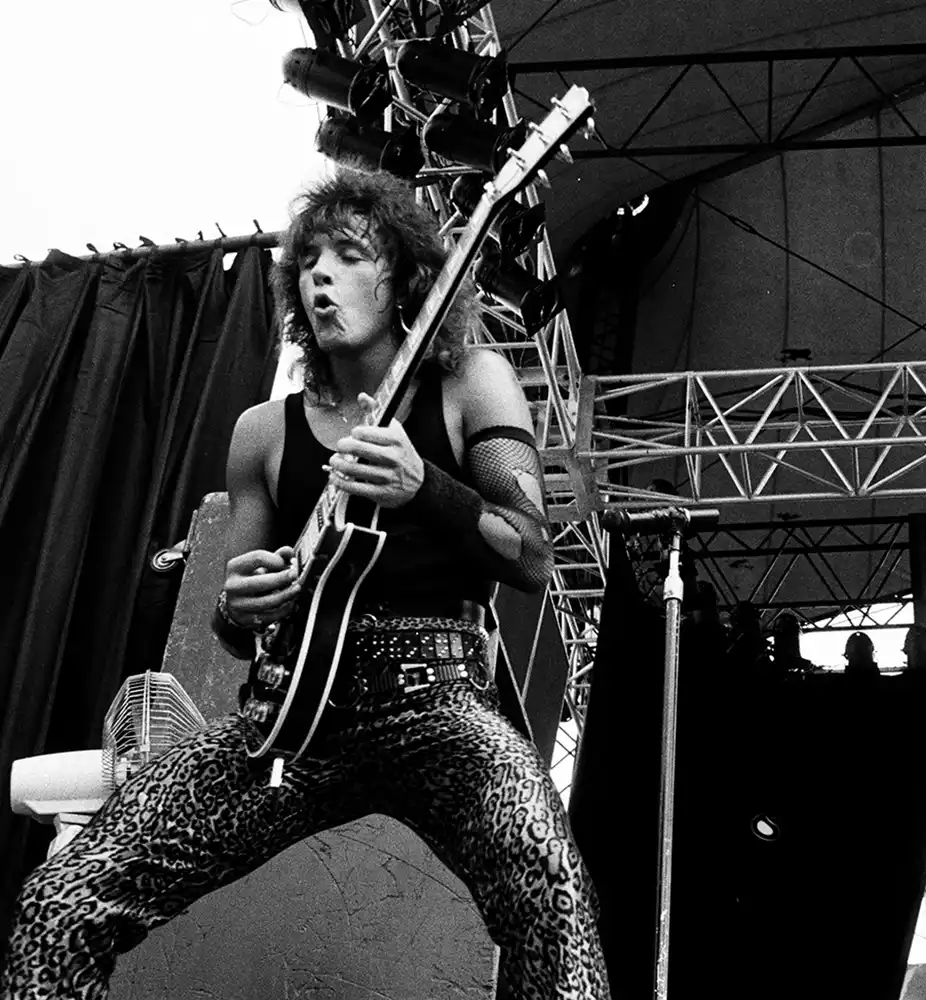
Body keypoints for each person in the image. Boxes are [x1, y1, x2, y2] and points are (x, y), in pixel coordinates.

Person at [3, 169, 612, 999]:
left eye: (349, 255)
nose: (320, 273)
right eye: (309, 260)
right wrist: (241, 603)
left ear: (402, 276)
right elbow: (233, 617)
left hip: (439, 702)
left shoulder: (472, 381)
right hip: (289, 719)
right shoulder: (263, 431)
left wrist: (425, 487)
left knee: (553, 893)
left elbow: (533, 555)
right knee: (64, 895)